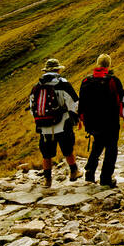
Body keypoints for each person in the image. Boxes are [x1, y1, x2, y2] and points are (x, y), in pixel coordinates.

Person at [77, 53, 124, 187]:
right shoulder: (113, 80)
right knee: (111, 147)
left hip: (92, 122)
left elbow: (81, 103)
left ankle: (89, 172)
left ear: (97, 64)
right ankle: (106, 178)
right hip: (110, 121)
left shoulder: (86, 80)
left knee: (98, 143)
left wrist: (82, 120)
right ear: (109, 65)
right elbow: (122, 101)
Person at [27, 58, 80, 186]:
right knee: (67, 149)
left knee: (46, 153)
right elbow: (74, 103)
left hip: (44, 126)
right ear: (57, 70)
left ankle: (48, 180)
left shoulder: (37, 86)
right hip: (62, 123)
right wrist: (75, 118)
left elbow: (32, 107)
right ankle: (74, 172)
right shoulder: (62, 83)